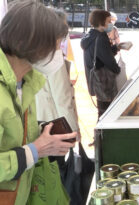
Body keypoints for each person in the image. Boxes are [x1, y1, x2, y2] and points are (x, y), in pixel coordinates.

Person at [0, 1, 77, 204]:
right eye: (55, 45)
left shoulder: (25, 82)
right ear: (31, 44)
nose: (58, 53)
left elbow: (12, 134)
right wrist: (35, 151)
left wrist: (44, 132)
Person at [36, 9, 80, 140]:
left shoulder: (33, 51)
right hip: (55, 126)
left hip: (39, 123)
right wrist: (73, 132)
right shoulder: (52, 56)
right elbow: (62, 98)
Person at [81, 10, 121, 117]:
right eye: (108, 21)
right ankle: (101, 133)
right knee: (107, 113)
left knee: (102, 111)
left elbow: (101, 55)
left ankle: (100, 133)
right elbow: (108, 60)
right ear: (101, 22)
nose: (110, 24)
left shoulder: (90, 36)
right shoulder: (101, 37)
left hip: (95, 79)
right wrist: (118, 70)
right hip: (104, 81)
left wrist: (116, 48)